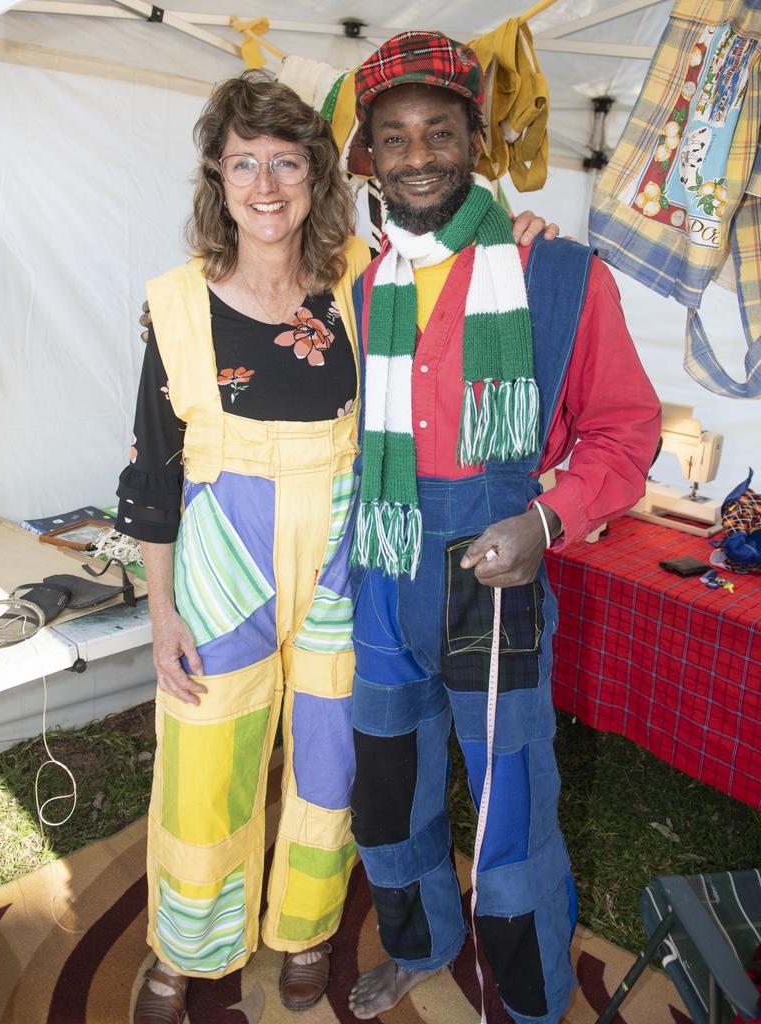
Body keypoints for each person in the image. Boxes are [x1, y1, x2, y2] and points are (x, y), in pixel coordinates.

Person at [118, 70, 556, 1024]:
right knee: (203, 768)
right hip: (219, 564)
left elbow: (451, 263)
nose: (265, 186)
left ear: (317, 175)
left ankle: (305, 929)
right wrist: (159, 612)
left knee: (330, 763)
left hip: (342, 560)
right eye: (243, 164)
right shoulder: (175, 305)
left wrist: (516, 236)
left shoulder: (361, 283)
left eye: (285, 162)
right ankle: (183, 951)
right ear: (217, 178)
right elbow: (152, 474)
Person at [344, 31, 662, 1024]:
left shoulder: (559, 274)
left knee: (512, 811)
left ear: (477, 138)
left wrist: (548, 517)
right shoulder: (368, 282)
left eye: (440, 130)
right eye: (394, 137)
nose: (419, 153)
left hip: (495, 572)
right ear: (371, 157)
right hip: (387, 571)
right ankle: (421, 940)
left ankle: (526, 1000)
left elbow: (628, 430)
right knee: (390, 791)